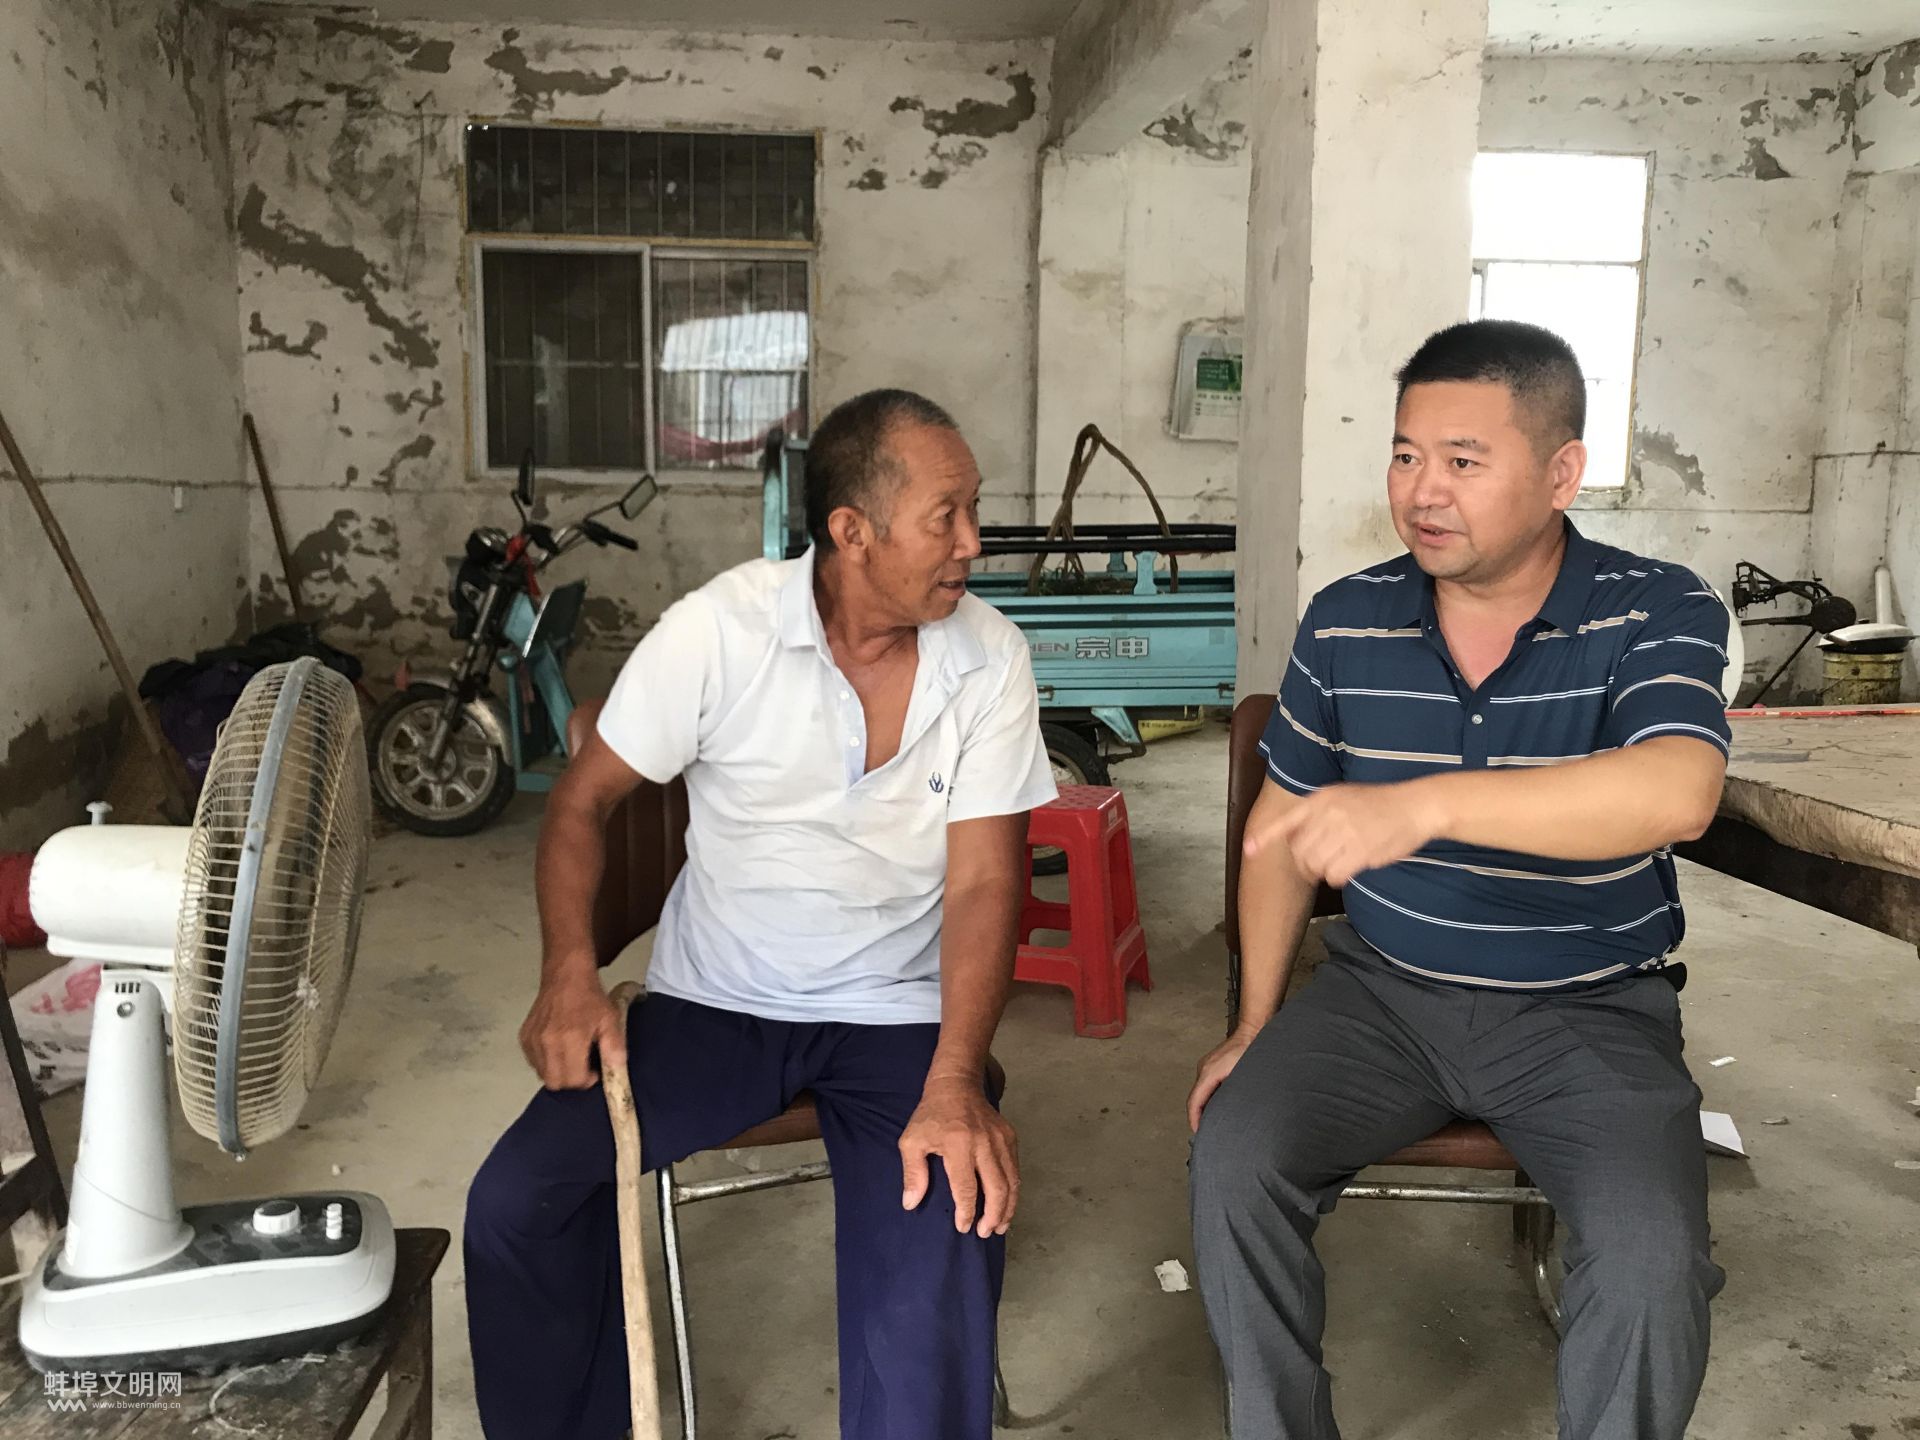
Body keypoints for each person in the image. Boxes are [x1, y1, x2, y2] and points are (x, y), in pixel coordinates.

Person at [464, 389, 1056, 1440]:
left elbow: (982, 885)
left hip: (897, 1013)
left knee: (943, 1227)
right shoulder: (719, 632)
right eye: (948, 516)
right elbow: (580, 803)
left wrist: (956, 1077)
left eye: (975, 510)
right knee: (519, 1203)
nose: (974, 541)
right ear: (853, 532)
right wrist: (567, 974)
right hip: (715, 1002)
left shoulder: (989, 657)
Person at [1189, 320, 1731, 1440]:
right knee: (1234, 1157)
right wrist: (1253, 1022)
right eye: (1405, 455)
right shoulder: (1349, 620)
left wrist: (1425, 803)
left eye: (1463, 461)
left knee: (1652, 1259)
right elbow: (1280, 832)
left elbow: (1678, 790)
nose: (1422, 491)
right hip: (1382, 996)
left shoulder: (1654, 608)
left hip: (1589, 1008)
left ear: (1561, 473)